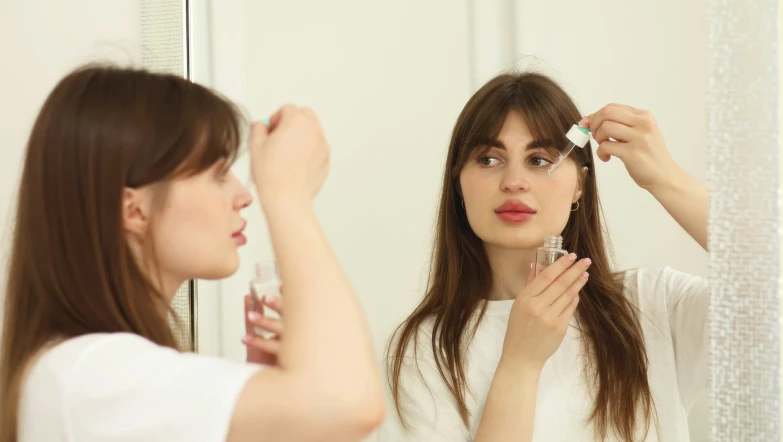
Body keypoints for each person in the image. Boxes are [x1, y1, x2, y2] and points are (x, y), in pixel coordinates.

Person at [0, 65, 384, 442]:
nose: (243, 195)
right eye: (218, 173)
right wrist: (288, 196)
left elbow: (336, 409)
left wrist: (270, 406)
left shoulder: (88, 377)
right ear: (134, 210)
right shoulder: (90, 376)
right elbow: (350, 404)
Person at [379, 72, 708, 441]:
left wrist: (667, 179)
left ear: (579, 185)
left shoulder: (654, 305)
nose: (514, 181)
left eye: (538, 159)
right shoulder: (423, 351)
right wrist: (520, 364)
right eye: (488, 159)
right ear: (458, 184)